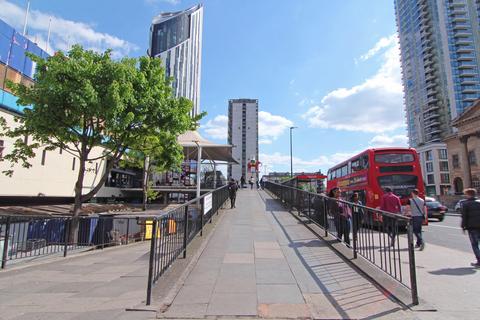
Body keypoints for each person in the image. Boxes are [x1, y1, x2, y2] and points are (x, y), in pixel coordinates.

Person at [461, 188, 480, 268]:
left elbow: (464, 217)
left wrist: (463, 226)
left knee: (475, 244)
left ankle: (479, 260)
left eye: (466, 194)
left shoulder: (466, 204)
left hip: (472, 227)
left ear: (468, 195)